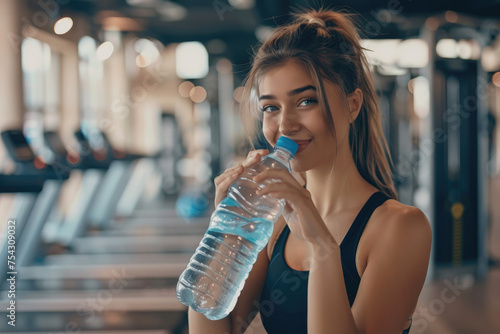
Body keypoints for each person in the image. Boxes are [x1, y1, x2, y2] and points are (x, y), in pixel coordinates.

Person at [189, 8, 432, 334]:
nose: (285, 125)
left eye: (306, 101)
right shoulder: (271, 221)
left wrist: (322, 248)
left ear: (352, 105)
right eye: (271, 107)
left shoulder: (400, 228)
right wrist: (223, 235)